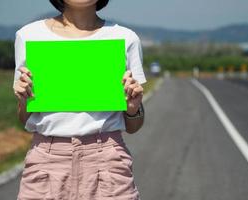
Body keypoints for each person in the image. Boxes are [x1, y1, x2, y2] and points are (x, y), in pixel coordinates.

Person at [12, 0, 147, 199]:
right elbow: (25, 118)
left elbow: (134, 126)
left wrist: (133, 108)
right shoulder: (29, 36)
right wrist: (24, 100)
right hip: (46, 160)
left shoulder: (125, 38)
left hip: (107, 159)